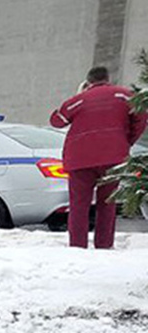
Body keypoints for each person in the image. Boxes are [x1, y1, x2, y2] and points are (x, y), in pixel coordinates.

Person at [50, 66, 148, 249]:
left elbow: (56, 120)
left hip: (79, 159)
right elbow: (142, 116)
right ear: (108, 78)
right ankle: (104, 245)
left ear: (88, 82)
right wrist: (127, 141)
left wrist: (78, 94)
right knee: (107, 204)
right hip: (113, 158)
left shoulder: (78, 100)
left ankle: (77, 246)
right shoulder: (124, 95)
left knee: (79, 205)